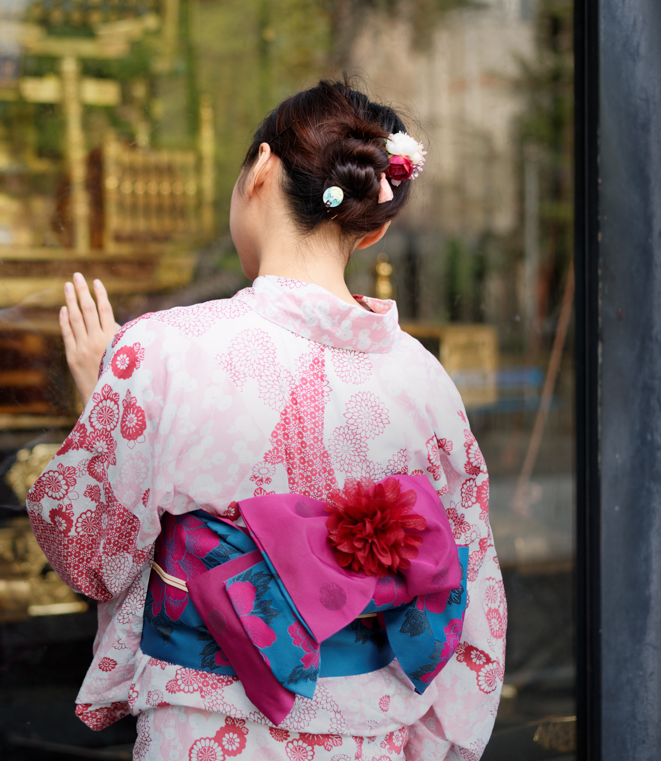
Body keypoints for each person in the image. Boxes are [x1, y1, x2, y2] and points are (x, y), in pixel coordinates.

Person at [28, 80, 504, 760]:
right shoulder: (427, 384)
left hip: (206, 737)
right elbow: (472, 595)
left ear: (260, 170)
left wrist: (100, 398)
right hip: (376, 739)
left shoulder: (159, 352)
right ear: (376, 225)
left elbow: (90, 558)